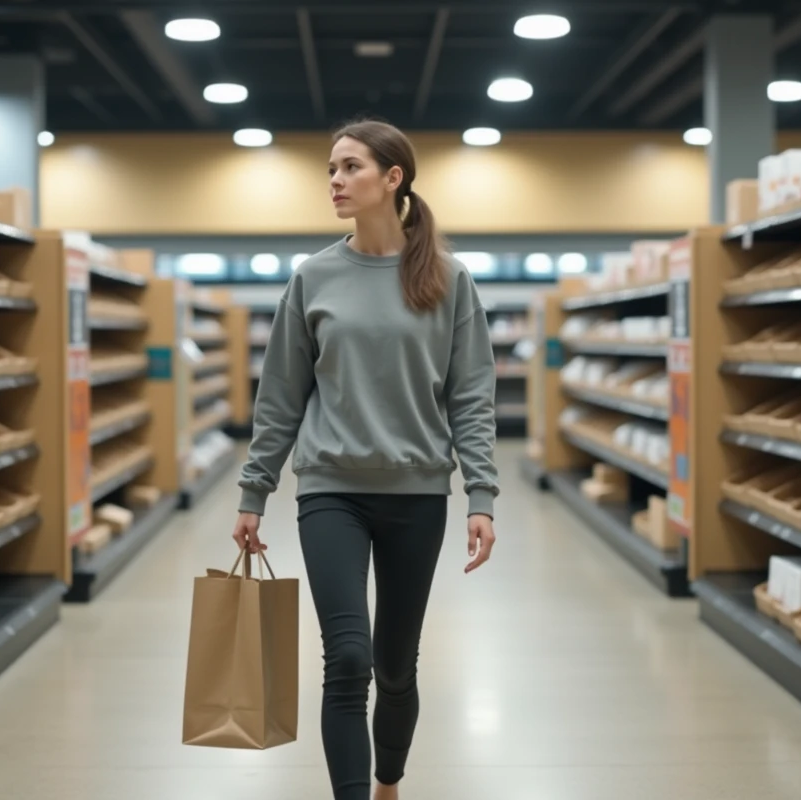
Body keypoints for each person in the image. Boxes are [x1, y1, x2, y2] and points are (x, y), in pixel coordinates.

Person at [233, 118, 499, 800]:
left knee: (395, 667)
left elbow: (471, 397)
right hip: (331, 492)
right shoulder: (314, 277)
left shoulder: (446, 279)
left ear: (393, 178)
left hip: (417, 497)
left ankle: (388, 782)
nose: (335, 181)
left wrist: (481, 497)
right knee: (346, 660)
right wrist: (254, 491)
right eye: (330, 169)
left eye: (350, 168)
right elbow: (281, 394)